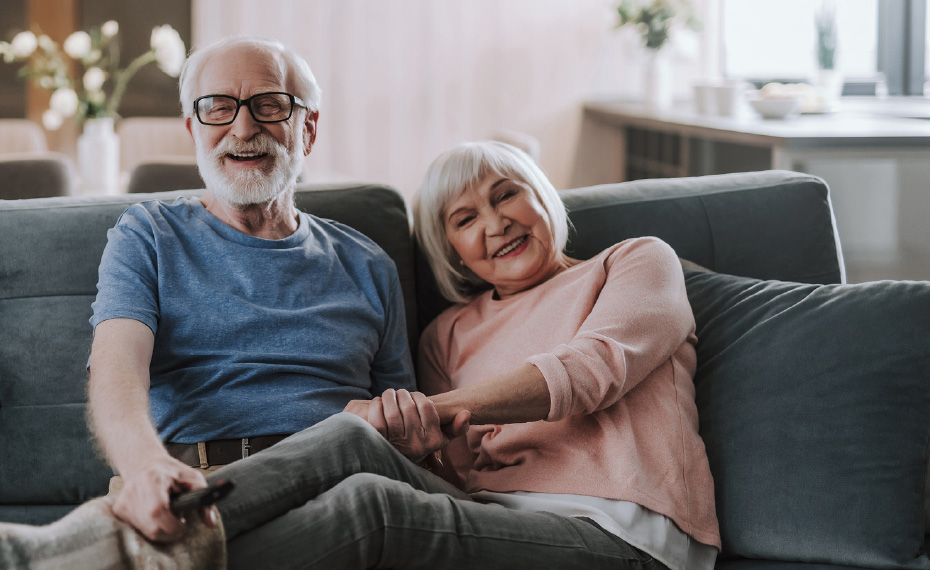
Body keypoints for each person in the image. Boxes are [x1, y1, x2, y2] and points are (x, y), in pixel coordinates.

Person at [192, 140, 720, 569]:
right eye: (465, 219)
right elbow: (457, 482)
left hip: (622, 531)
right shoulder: (447, 334)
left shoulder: (633, 262)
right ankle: (150, 524)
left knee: (371, 509)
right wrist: (426, 448)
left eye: (506, 195)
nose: (496, 224)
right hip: (497, 518)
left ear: (541, 196)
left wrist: (437, 409)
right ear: (453, 253)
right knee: (352, 436)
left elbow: (591, 372)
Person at [86, 36, 414, 544]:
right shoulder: (148, 234)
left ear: (307, 128)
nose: (242, 128)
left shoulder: (368, 264)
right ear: (193, 129)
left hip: (342, 485)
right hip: (194, 483)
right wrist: (146, 466)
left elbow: (404, 423)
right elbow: (116, 369)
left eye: (269, 105)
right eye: (218, 108)